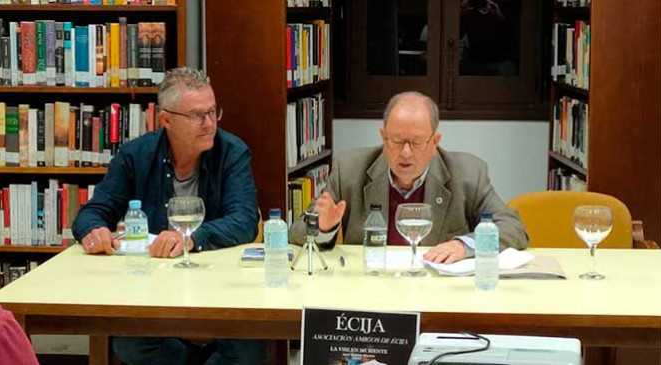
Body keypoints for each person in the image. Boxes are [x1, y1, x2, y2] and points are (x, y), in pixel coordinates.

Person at [72, 67, 264, 365]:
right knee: (130, 344)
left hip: (221, 290)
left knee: (248, 349)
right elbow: (93, 212)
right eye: (197, 116)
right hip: (155, 295)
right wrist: (94, 230)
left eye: (214, 112)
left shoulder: (232, 152)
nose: (209, 123)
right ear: (166, 120)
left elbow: (245, 220)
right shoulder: (136, 154)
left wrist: (189, 239)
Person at [290, 91, 528, 263]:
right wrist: (322, 227)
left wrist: (464, 245)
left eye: (415, 143)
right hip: (371, 290)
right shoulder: (350, 169)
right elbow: (296, 232)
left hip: (438, 291)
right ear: (383, 138)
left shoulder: (468, 173)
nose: (405, 152)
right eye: (396, 141)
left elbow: (513, 229)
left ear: (434, 142)